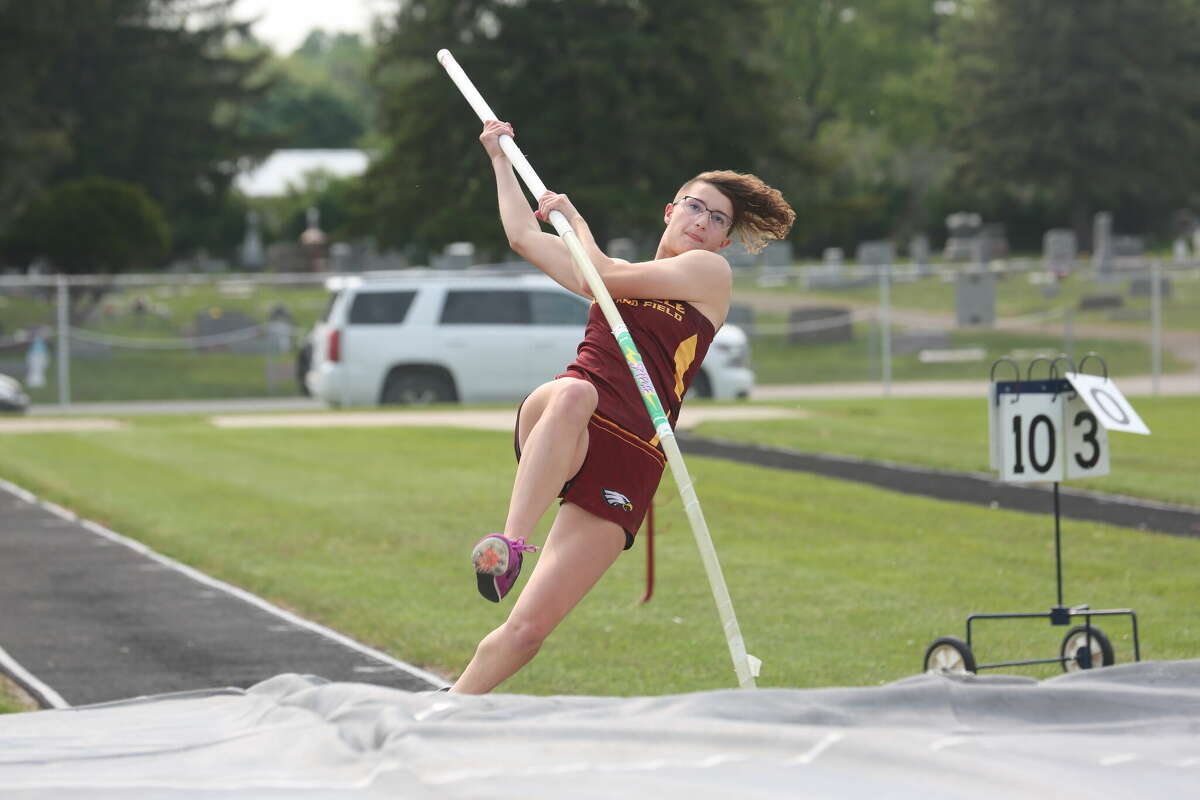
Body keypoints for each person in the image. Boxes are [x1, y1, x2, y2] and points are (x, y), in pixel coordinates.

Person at [449, 119, 795, 694]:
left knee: (528, 631)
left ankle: (447, 709)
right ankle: (508, 546)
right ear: (669, 211)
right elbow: (521, 237)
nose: (703, 222)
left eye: (718, 220)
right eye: (696, 207)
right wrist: (498, 158)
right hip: (567, 420)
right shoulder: (618, 276)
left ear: (725, 241)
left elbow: (604, 275)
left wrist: (577, 222)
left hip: (633, 457)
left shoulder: (708, 274)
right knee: (578, 392)